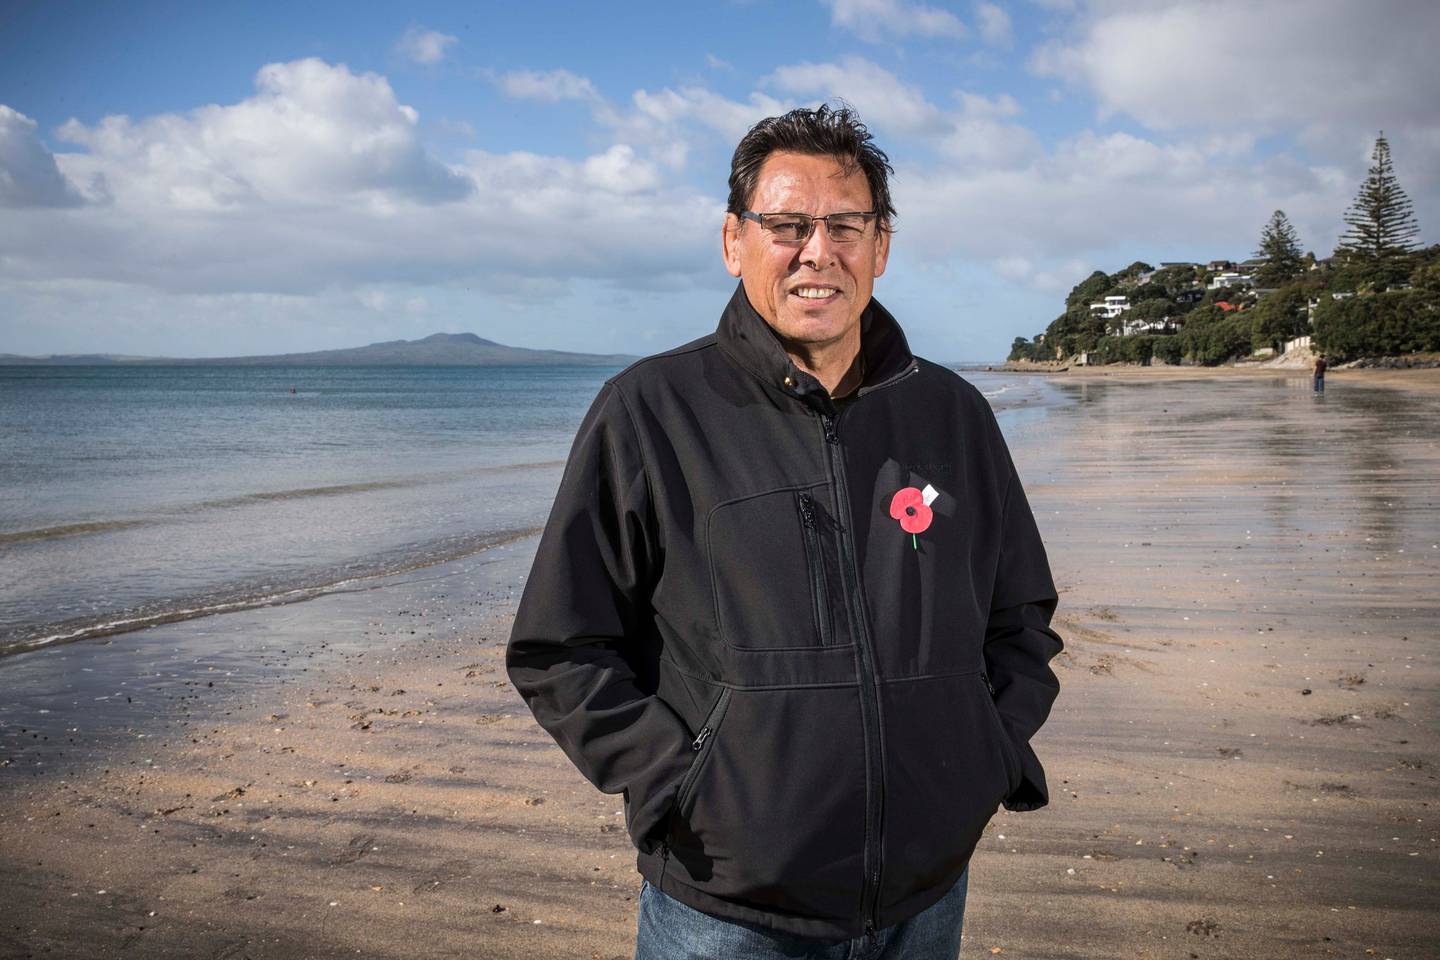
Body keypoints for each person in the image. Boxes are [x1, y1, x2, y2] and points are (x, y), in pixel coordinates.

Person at [506, 105, 1063, 959]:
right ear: (734, 242)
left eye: (846, 225)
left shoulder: (951, 415)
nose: (818, 251)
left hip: (926, 897)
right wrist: (682, 786)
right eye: (788, 225)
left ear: (881, 246)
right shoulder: (652, 411)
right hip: (727, 911)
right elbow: (561, 646)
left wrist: (984, 755)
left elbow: (1019, 616)